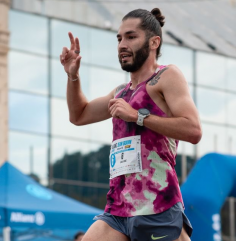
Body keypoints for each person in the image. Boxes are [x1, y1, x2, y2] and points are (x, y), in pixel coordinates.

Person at [59, 7, 202, 241]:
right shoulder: (120, 93)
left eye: (131, 37)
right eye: (119, 38)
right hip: (118, 209)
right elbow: (79, 115)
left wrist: (138, 116)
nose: (122, 44)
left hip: (157, 207)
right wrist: (72, 76)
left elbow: (194, 130)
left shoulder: (166, 77)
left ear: (154, 42)